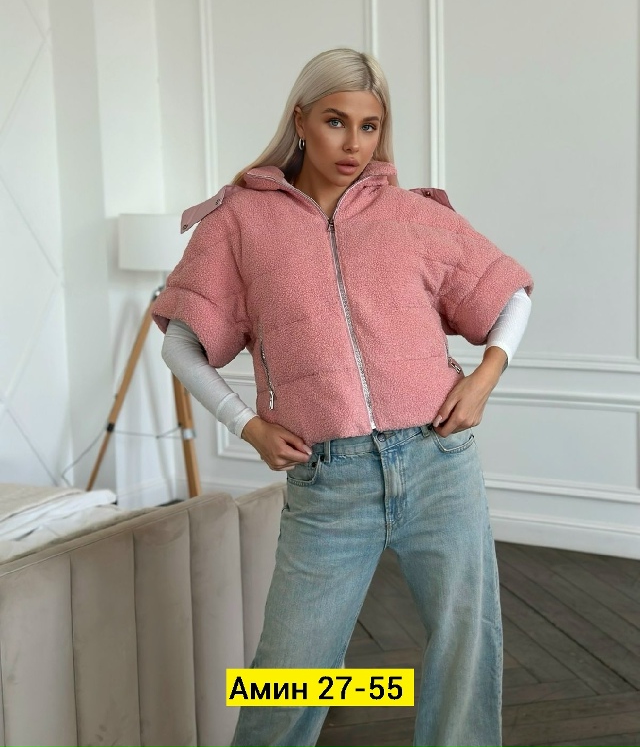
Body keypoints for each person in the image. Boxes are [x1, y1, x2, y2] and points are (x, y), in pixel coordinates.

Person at [152, 47, 533, 747]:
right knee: (289, 670)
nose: (353, 143)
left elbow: (510, 295)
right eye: (335, 121)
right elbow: (181, 344)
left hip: (438, 462)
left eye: (369, 125)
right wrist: (247, 425)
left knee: (465, 642)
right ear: (301, 120)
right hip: (330, 479)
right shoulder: (239, 222)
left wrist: (483, 379)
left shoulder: (411, 215)